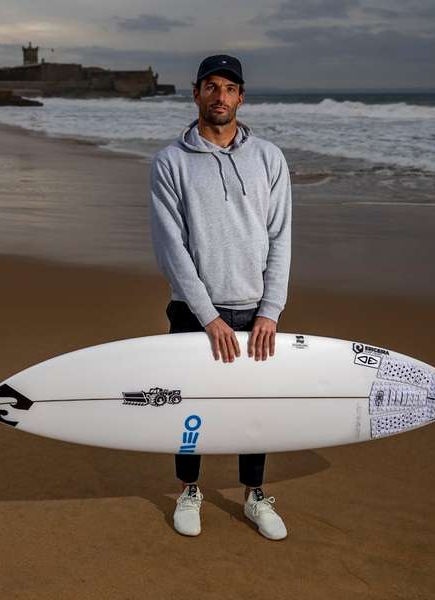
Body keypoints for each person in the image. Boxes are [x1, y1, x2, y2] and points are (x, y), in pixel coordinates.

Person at [149, 54, 292, 540]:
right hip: (194, 312)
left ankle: (254, 494)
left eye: (229, 89)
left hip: (255, 310)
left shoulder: (269, 158)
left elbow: (281, 238)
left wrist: (270, 310)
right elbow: (172, 247)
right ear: (196, 93)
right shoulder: (170, 161)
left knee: (256, 409)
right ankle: (189, 490)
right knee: (191, 406)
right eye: (211, 87)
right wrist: (207, 315)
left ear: (241, 97)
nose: (220, 97)